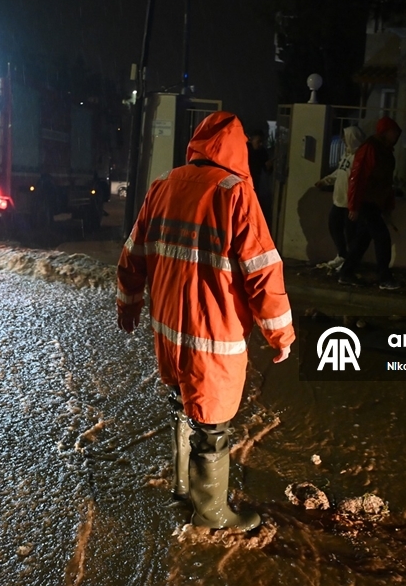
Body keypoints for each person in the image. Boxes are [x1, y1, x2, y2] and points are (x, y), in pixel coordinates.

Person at [116, 111, 295, 531]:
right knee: (212, 423)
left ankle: (183, 487)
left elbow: (132, 256)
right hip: (214, 337)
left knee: (182, 405)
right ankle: (212, 512)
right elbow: (263, 271)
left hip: (169, 333)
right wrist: (280, 333)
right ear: (237, 150)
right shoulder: (234, 192)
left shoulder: (162, 186)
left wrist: (129, 306)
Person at [338, 116, 403, 290]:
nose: (396, 136)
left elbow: (386, 183)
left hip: (372, 202)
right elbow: (357, 177)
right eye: (393, 132)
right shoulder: (371, 149)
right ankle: (384, 277)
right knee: (382, 238)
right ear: (385, 132)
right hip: (367, 202)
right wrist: (354, 205)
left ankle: (346, 272)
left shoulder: (384, 150)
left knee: (362, 241)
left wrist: (388, 207)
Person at [315, 125, 366, 270]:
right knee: (334, 226)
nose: (343, 140)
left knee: (351, 234)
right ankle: (342, 254)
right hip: (339, 200)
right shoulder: (347, 154)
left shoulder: (360, 157)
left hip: (349, 202)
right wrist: (326, 181)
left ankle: (349, 263)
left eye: (345, 137)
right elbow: (340, 172)